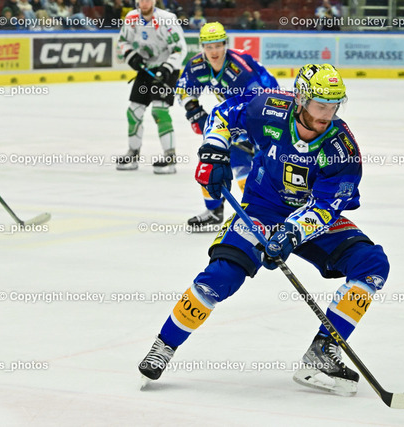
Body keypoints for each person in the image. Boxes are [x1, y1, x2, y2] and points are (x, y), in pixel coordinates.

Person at [138, 64, 390, 398]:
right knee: (221, 276)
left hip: (310, 217)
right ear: (301, 99)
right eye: (320, 105)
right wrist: (214, 150)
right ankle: (164, 345)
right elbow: (223, 114)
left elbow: (326, 207)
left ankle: (323, 350)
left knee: (372, 264)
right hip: (261, 209)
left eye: (334, 106)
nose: (327, 115)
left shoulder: (341, 149)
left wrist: (291, 233)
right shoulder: (269, 107)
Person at [176, 22, 278, 231]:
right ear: (202, 47)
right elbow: (183, 89)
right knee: (211, 157)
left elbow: (260, 103)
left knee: (257, 168)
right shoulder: (198, 65)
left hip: (269, 114)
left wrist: (250, 137)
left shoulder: (239, 70)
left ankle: (265, 215)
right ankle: (215, 211)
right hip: (236, 115)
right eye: (209, 46)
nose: (214, 52)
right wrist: (194, 110)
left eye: (218, 46)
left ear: (225, 45)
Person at [115, 0, 187, 174]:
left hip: (167, 70)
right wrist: (131, 56)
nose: (145, 2)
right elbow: (123, 41)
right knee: (133, 112)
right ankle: (133, 153)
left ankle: (169, 156)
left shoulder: (167, 19)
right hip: (146, 69)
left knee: (159, 111)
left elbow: (180, 49)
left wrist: (166, 68)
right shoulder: (131, 18)